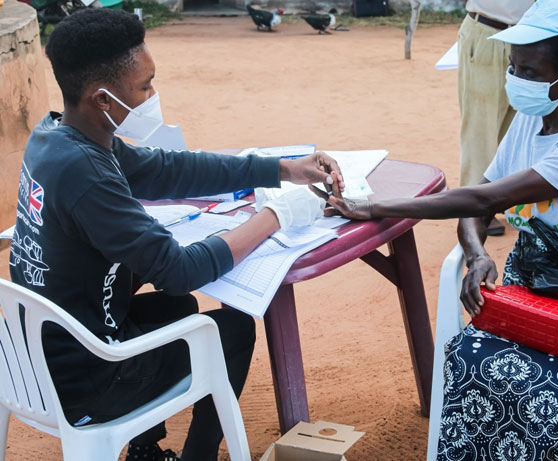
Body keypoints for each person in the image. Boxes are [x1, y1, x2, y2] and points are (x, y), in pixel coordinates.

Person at [318, 0, 558, 458]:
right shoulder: (528, 121)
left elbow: (483, 199)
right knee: (469, 357)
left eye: (532, 71)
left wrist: (378, 206)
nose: (517, 81)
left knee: (557, 392)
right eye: (514, 67)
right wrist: (477, 253)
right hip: (545, 288)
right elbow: (476, 204)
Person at [10, 9, 343, 461]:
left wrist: (281, 168)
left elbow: (165, 169)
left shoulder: (57, 137)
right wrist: (275, 217)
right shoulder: (87, 173)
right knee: (230, 330)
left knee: (178, 310)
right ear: (103, 98)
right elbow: (179, 270)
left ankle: (145, 450)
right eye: (144, 87)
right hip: (86, 380)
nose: (152, 96)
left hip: (34, 357)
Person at [456, 0, 534, 236]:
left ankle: (512, 202)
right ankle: (474, 206)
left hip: (528, 37)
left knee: (521, 124)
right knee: (481, 127)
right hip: (488, 33)